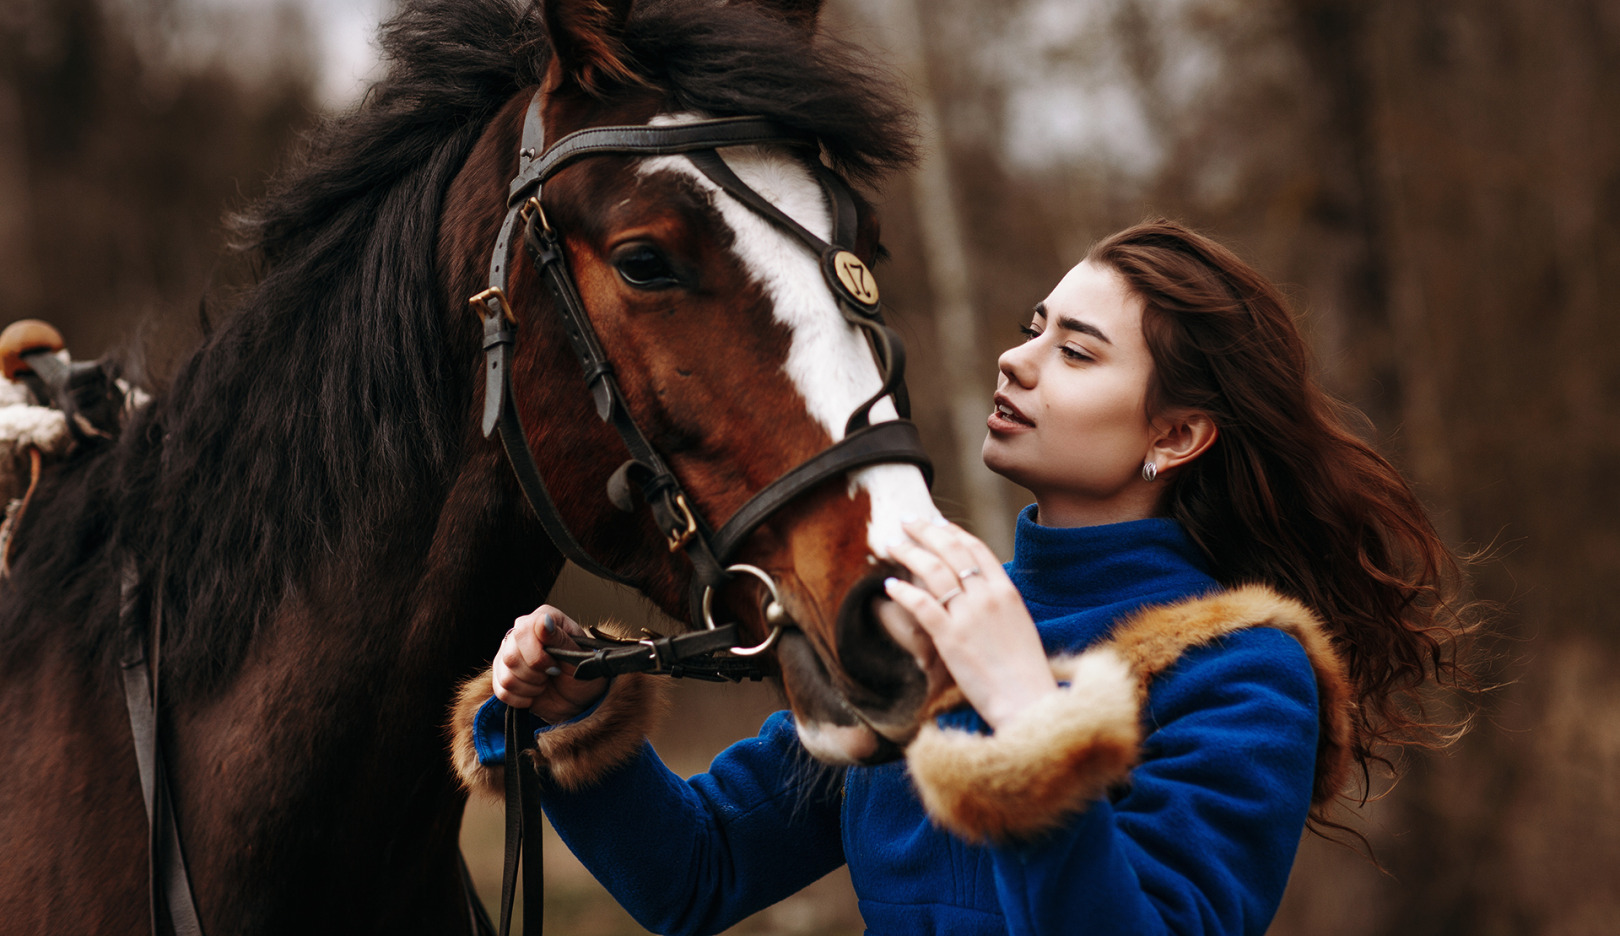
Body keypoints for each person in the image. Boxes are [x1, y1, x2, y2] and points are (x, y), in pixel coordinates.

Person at [450, 219, 1477, 936]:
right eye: (1033, 326)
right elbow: (697, 873)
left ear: (1175, 434)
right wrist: (574, 716)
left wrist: (1031, 718)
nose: (1016, 360)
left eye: (1075, 352)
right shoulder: (922, 617)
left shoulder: (1243, 670)